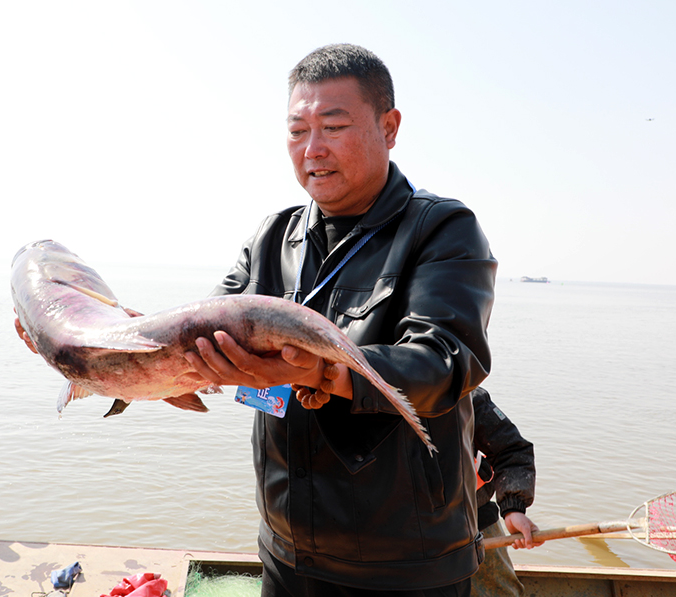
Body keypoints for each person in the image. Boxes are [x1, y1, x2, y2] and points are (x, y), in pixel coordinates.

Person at [181, 44, 497, 596]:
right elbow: (200, 336)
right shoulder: (272, 237)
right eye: (297, 130)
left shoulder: (442, 229)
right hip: (286, 552)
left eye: (333, 125)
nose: (313, 149)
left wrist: (321, 372)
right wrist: (112, 344)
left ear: (389, 126)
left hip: (407, 566)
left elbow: (445, 359)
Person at [470, 387, 543, 597]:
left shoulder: (463, 393)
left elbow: (510, 450)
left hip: (473, 522)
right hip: (391, 536)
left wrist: (513, 508)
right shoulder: (371, 394)